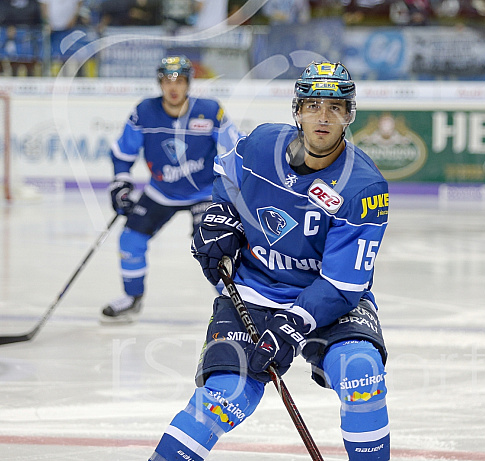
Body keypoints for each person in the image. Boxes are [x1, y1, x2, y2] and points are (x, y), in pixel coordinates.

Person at [148, 61, 390, 460]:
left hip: (328, 302)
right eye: (313, 105)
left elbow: (343, 284)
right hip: (253, 291)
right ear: (297, 110)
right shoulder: (261, 145)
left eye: (335, 107)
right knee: (222, 400)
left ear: (349, 115)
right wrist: (219, 218)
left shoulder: (364, 187)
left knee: (362, 375)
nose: (323, 117)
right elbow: (227, 178)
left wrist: (293, 325)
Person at [102, 55, 242, 323]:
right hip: (160, 191)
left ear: (189, 82)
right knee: (130, 240)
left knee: (215, 247)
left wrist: (234, 191)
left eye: (180, 80)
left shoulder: (211, 111)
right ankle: (132, 298)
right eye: (167, 80)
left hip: (204, 192)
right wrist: (120, 183)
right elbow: (122, 153)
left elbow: (235, 151)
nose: (173, 86)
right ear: (160, 83)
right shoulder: (144, 111)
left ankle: (236, 303)